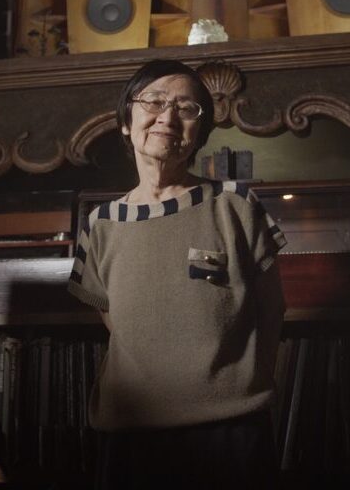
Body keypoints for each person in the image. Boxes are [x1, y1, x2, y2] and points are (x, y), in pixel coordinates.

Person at [68, 59, 287, 489]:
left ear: (198, 134)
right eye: (154, 101)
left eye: (186, 109)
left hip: (229, 432)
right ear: (126, 121)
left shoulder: (236, 205)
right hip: (130, 432)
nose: (167, 117)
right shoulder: (100, 223)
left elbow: (272, 309)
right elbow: (114, 321)